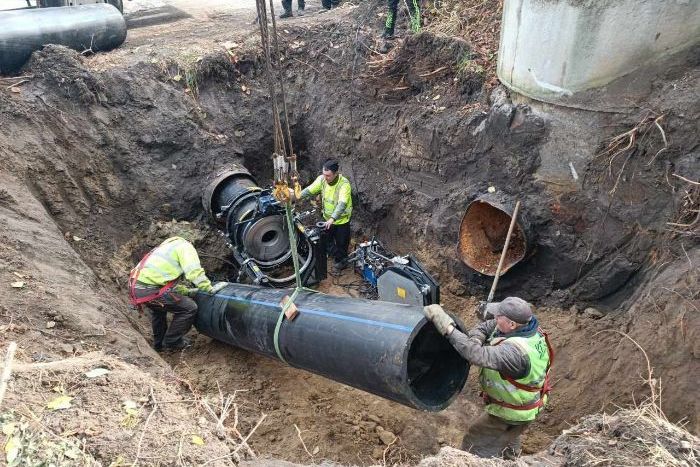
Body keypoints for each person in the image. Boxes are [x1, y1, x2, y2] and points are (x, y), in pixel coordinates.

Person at [422, 297, 553, 459]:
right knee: (507, 438)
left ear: (512, 324)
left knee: (475, 441)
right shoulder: (527, 328)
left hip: (511, 413)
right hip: (525, 406)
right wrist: (475, 339)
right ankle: (511, 458)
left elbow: (476, 354)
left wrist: (447, 327)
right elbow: (486, 327)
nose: (495, 318)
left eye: (499, 317)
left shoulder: (515, 353)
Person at [128, 236, 227, 351]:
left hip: (136, 286)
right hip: (149, 288)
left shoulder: (166, 247)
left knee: (158, 311)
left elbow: (162, 278)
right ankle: (172, 341)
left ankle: (159, 345)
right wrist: (207, 287)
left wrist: (185, 291)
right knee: (189, 308)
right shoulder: (186, 247)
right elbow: (193, 271)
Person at [299, 159, 353, 274]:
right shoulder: (322, 180)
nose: (325, 177)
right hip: (327, 218)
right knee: (326, 241)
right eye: (324, 174)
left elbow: (342, 204)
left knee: (342, 244)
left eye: (328, 175)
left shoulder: (344, 185)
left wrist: (332, 219)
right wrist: (297, 196)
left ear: (335, 174)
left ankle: (342, 262)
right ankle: (336, 256)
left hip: (341, 221)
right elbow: (309, 190)